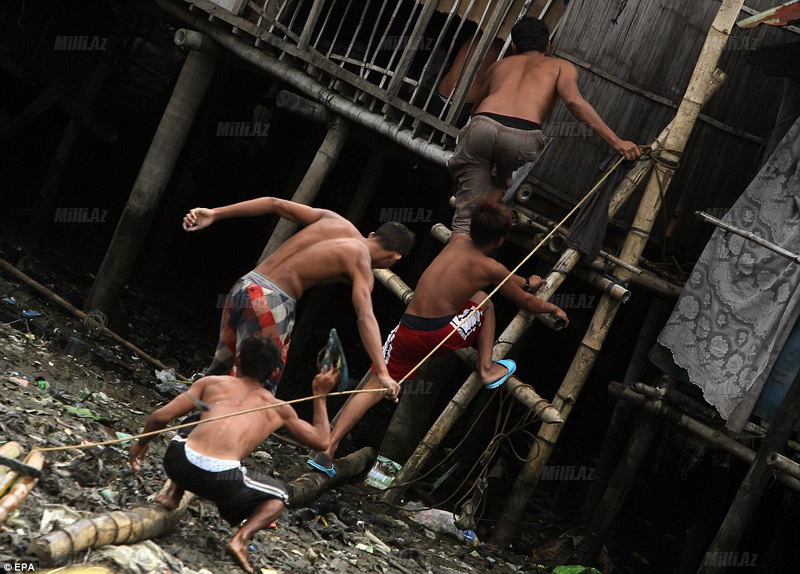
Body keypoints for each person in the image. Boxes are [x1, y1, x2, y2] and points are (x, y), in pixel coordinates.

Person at [309, 200, 568, 476]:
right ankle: (487, 368)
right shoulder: (489, 266)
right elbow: (526, 301)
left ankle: (328, 448)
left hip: (406, 329)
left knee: (372, 386)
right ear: (501, 240)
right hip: (439, 335)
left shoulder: (456, 241)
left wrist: (527, 280)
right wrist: (553, 308)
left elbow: (511, 280)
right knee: (484, 301)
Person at [129, 336, 340, 574]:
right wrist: (320, 395)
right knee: (280, 495)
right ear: (274, 373)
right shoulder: (279, 409)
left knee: (194, 418)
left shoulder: (211, 384)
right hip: (221, 482)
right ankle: (240, 539)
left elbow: (160, 417)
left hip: (178, 464)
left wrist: (140, 445)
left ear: (238, 360)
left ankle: (172, 494)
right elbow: (323, 442)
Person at [182, 196, 414, 397]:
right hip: (271, 302)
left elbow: (274, 203)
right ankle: (215, 442)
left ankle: (186, 438)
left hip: (245, 285)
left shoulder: (334, 220)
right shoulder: (361, 263)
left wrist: (215, 213)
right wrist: (383, 373)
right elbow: (365, 317)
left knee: (221, 369)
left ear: (372, 234)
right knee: (254, 386)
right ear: (394, 258)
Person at [447, 17, 642, 235]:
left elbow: (475, 109)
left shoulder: (500, 65)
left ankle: (464, 230)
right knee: (501, 182)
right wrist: (616, 142)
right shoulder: (561, 66)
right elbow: (574, 101)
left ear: (513, 46)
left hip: (482, 126)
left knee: (463, 217)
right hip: (521, 135)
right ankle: (483, 224)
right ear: (548, 46)